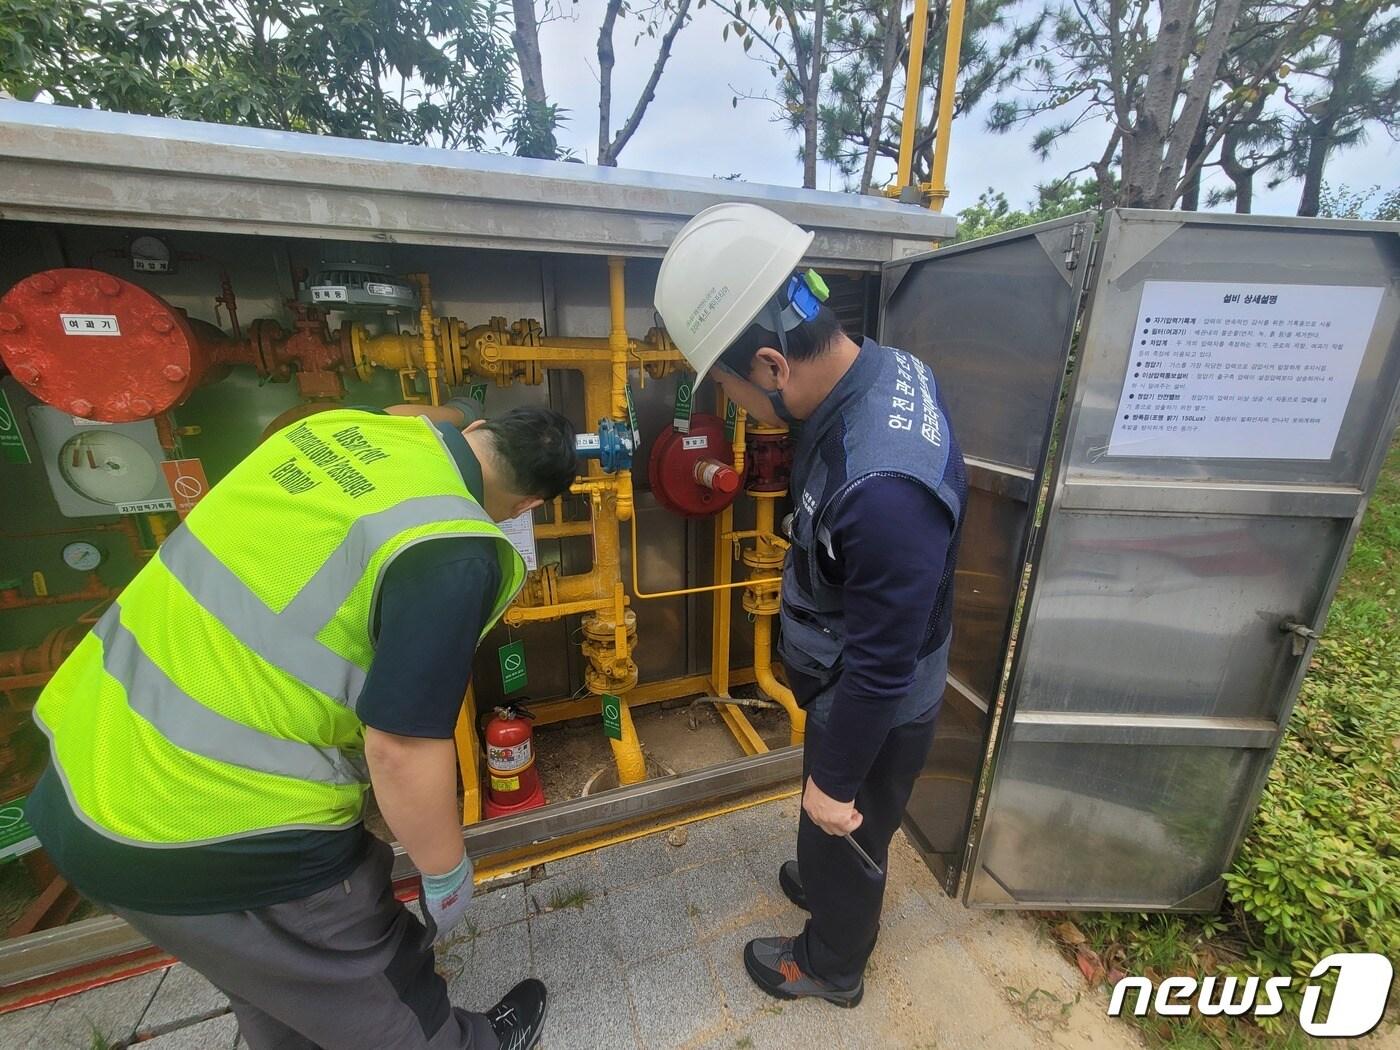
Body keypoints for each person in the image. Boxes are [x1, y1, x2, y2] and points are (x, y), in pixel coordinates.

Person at [26, 399, 577, 1050]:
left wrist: (450, 413)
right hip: (221, 817)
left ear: (476, 429)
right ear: (527, 508)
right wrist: (444, 867)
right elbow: (399, 748)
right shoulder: (451, 546)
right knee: (381, 991)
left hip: (84, 770)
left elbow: (409, 415)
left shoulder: (331, 432)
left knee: (279, 984)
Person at [655, 203, 966, 1007]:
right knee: (832, 818)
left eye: (730, 391)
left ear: (770, 364)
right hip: (852, 675)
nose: (736, 411)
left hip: (877, 697)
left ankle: (831, 962)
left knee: (848, 821)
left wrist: (832, 780)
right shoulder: (885, 369)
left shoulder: (884, 487)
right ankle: (826, 872)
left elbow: (882, 663)